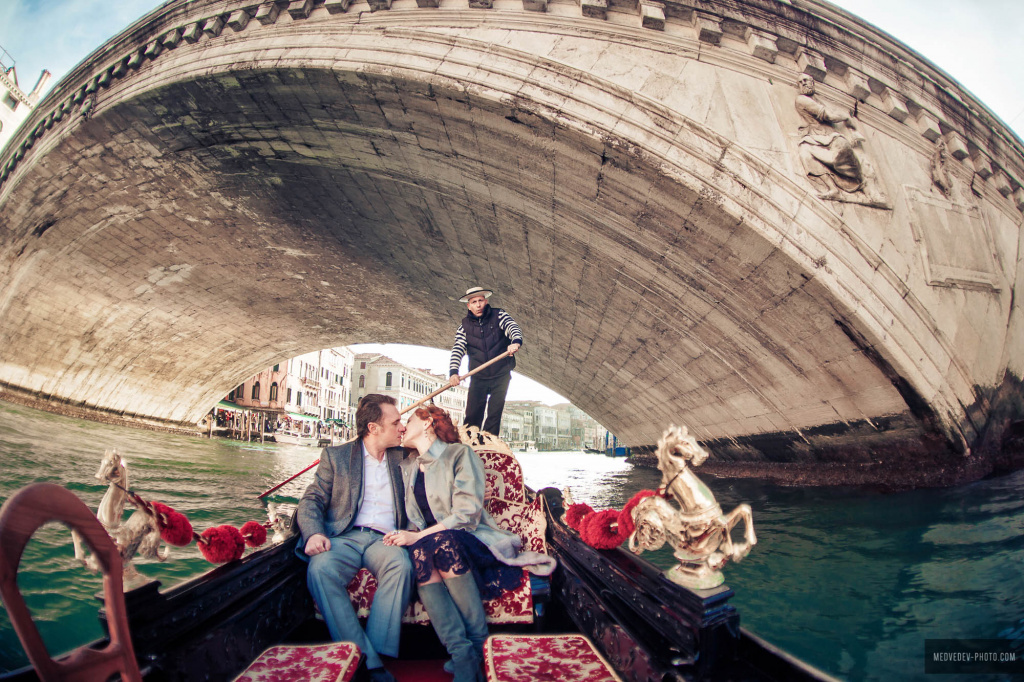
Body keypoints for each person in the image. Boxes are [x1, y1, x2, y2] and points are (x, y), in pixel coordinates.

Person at [383, 405, 555, 682]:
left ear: (427, 423)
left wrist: (418, 537)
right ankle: (462, 654)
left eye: (409, 420)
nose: (402, 427)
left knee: (440, 545)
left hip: (472, 538)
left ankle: (478, 644)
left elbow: (465, 516)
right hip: (431, 544)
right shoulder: (409, 465)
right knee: (421, 553)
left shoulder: (460, 454)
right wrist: (408, 537)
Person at [294, 394, 412, 682]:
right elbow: (312, 500)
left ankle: (373, 657)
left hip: (386, 538)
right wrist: (314, 533)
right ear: (373, 428)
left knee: (401, 566)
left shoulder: (406, 456)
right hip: (344, 536)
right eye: (396, 422)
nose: (402, 427)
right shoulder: (336, 456)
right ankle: (366, 661)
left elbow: (440, 460)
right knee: (320, 569)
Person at [448, 286, 523, 436]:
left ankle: (489, 443)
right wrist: (454, 372)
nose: (478, 305)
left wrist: (515, 341)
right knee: (472, 416)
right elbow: (458, 349)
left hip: (500, 374)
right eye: (474, 302)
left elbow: (512, 327)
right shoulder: (464, 327)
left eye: (480, 301)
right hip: (479, 377)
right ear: (468, 305)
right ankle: (469, 442)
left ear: (486, 301)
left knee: (494, 415)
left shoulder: (499, 315)